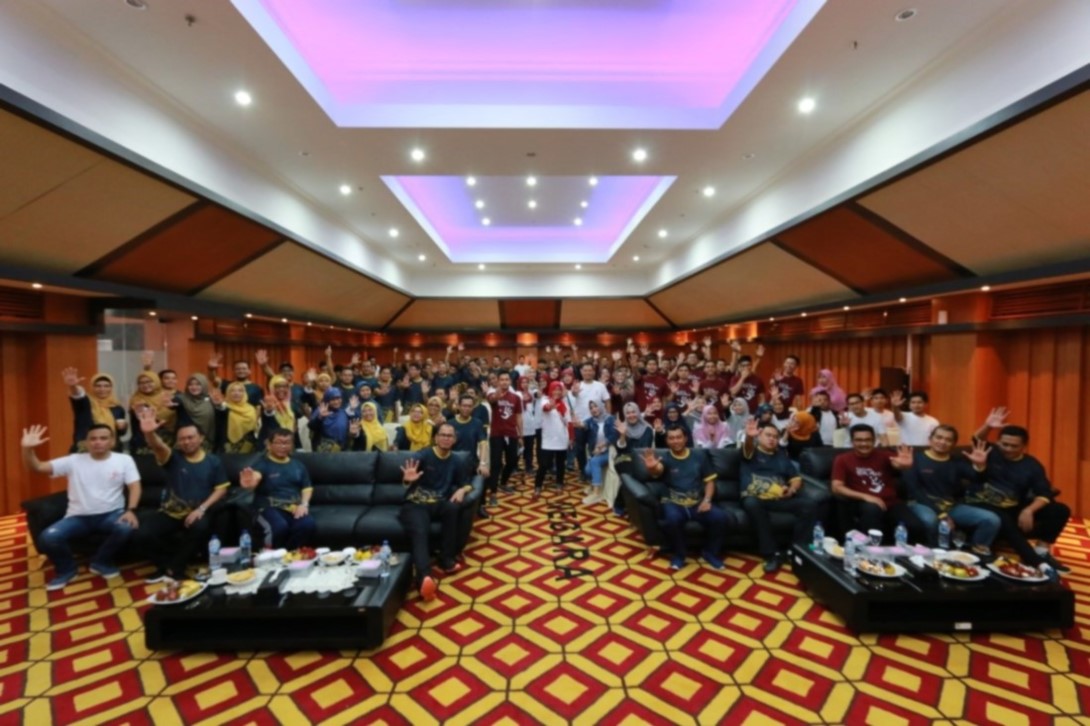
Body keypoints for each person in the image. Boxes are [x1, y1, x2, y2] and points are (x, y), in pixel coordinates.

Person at [22, 424, 140, 590]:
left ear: (112, 441)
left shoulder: (124, 460)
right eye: (93, 439)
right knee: (48, 537)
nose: (97, 442)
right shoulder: (73, 460)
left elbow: (134, 486)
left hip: (111, 514)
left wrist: (131, 510)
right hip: (78, 517)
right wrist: (27, 449)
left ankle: (101, 562)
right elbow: (37, 467)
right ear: (86, 442)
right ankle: (67, 570)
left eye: (103, 438)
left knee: (125, 528)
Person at [967, 408, 1071, 572]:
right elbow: (977, 439)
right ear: (998, 442)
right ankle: (1035, 562)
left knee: (1060, 509)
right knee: (1003, 519)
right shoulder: (991, 452)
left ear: (1024, 446)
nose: (1008, 449)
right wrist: (988, 426)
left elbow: (1044, 492)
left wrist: (1029, 510)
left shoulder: (1032, 465)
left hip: (1013, 505)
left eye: (1014, 446)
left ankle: (1042, 552)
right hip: (984, 503)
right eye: (1004, 444)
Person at [134, 409, 229, 582]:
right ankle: (165, 566)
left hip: (199, 511)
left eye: (190, 437)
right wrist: (149, 434)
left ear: (201, 438)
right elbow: (159, 446)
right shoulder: (172, 458)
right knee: (142, 533)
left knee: (200, 528)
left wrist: (201, 509)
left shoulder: (213, 461)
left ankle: (175, 568)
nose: (186, 442)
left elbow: (221, 489)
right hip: (171, 512)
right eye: (182, 439)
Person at [398, 422, 476, 601]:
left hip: (439, 502)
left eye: (450, 436)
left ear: (454, 440)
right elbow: (408, 474)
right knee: (420, 531)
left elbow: (467, 482)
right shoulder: (424, 455)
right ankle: (424, 578)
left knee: (452, 508)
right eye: (443, 435)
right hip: (416, 503)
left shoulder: (456, 460)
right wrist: (408, 480)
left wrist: (462, 490)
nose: (446, 438)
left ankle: (446, 558)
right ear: (436, 438)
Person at [898, 425, 998, 552]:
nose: (942, 442)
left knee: (991, 519)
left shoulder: (957, 461)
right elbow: (914, 490)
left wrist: (980, 466)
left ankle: (976, 554)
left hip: (951, 507)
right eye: (939, 437)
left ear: (953, 444)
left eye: (948, 440)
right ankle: (935, 554)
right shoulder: (914, 458)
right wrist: (942, 514)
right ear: (930, 439)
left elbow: (978, 479)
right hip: (921, 503)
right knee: (931, 520)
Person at [641, 428, 727, 570]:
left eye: (679, 437)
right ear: (667, 441)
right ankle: (680, 555)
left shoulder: (699, 456)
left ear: (685, 438)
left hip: (696, 502)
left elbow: (710, 481)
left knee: (720, 517)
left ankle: (710, 553)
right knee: (672, 519)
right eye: (671, 438)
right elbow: (658, 469)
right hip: (672, 502)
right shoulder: (665, 458)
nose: (675, 441)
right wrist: (652, 468)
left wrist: (707, 500)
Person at [739, 419, 816, 572]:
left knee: (809, 505)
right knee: (752, 503)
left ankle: (796, 550)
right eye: (768, 435)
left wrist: (791, 490)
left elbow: (796, 479)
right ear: (759, 436)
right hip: (756, 497)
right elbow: (747, 448)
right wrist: (749, 437)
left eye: (775, 436)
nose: (772, 439)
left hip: (780, 498)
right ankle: (771, 553)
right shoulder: (751, 452)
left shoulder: (782, 456)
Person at [831, 425, 926, 543]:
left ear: (874, 441)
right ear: (852, 442)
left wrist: (904, 465)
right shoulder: (842, 459)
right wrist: (866, 496)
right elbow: (836, 487)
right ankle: (870, 551)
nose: (864, 444)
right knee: (872, 510)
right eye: (859, 440)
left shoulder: (884, 455)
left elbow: (897, 464)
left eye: (868, 440)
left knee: (916, 527)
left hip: (890, 503)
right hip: (862, 503)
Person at [240, 428, 316, 549]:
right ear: (269, 445)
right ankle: (268, 555)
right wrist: (250, 483)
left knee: (307, 525)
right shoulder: (262, 463)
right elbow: (256, 477)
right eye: (279, 442)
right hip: (268, 508)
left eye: (287, 443)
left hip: (293, 508)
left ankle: (290, 555)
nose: (283, 446)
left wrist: (304, 504)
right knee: (279, 527)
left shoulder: (298, 465)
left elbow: (307, 488)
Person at [62, 367, 126, 453]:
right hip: (85, 449)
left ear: (111, 388)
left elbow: (120, 433)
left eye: (106, 386)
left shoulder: (117, 408)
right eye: (98, 386)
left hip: (111, 450)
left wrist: (122, 428)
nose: (102, 389)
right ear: (92, 387)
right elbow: (78, 396)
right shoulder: (86, 403)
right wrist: (73, 386)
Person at [485, 372, 523, 504]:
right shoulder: (492, 394)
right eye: (502, 379)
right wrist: (497, 396)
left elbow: (518, 416)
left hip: (512, 433)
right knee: (495, 464)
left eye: (507, 379)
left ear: (510, 382)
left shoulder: (516, 397)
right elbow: (492, 400)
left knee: (512, 461)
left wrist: (521, 434)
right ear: (498, 382)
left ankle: (503, 482)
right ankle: (493, 493)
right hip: (496, 434)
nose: (504, 382)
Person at [571, 363, 611, 483]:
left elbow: (607, 401)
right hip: (580, 423)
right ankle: (583, 471)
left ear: (594, 372)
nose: (587, 372)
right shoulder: (577, 385)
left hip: (597, 423)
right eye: (585, 370)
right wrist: (574, 392)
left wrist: (608, 417)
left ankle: (593, 470)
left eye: (590, 370)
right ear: (581, 372)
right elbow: (573, 396)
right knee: (580, 449)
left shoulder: (600, 386)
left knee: (594, 447)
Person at [534, 381, 571, 497]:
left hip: (562, 438)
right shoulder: (545, 400)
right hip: (548, 439)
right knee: (544, 464)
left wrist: (571, 437)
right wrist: (550, 406)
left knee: (561, 464)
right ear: (550, 390)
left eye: (559, 390)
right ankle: (538, 486)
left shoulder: (564, 404)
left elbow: (569, 422)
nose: (557, 392)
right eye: (555, 389)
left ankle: (559, 483)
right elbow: (545, 408)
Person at [128, 370, 177, 454]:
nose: (145, 385)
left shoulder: (167, 396)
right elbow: (152, 418)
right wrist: (169, 410)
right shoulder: (137, 400)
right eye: (141, 383)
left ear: (157, 382)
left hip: (170, 440)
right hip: (144, 443)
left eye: (149, 382)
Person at [582, 400, 617, 505]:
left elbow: (614, 436)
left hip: (609, 451)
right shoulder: (591, 421)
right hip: (596, 451)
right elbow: (583, 424)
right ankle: (594, 485)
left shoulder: (610, 419)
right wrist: (579, 424)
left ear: (601, 407)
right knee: (587, 471)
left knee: (594, 462)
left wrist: (603, 445)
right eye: (591, 408)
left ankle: (596, 493)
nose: (593, 409)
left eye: (595, 406)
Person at [176, 374, 218, 450]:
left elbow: (222, 412)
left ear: (204, 385)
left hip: (207, 440)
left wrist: (220, 405)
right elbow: (175, 403)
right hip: (187, 440)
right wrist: (171, 404)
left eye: (198, 384)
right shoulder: (182, 398)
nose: (194, 387)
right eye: (191, 384)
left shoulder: (211, 398)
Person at [218, 381, 262, 453]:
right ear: (228, 393)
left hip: (248, 446)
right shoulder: (223, 408)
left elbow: (255, 429)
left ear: (244, 393)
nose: (236, 393)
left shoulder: (251, 409)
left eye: (240, 391)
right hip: (226, 447)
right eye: (232, 391)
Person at [309, 388, 356, 452]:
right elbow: (311, 426)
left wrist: (352, 409)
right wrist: (320, 417)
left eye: (338, 398)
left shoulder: (343, 412)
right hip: (325, 450)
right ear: (327, 400)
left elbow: (352, 425)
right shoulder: (321, 410)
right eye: (333, 399)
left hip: (342, 448)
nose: (336, 402)